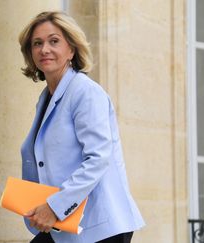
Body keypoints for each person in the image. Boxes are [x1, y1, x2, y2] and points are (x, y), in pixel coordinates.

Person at [19, 11, 145, 243]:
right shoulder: (46, 97)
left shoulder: (85, 92)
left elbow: (98, 158)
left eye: (54, 41)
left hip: (100, 227)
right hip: (67, 222)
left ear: (72, 49)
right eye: (37, 43)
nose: (44, 49)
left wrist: (54, 207)